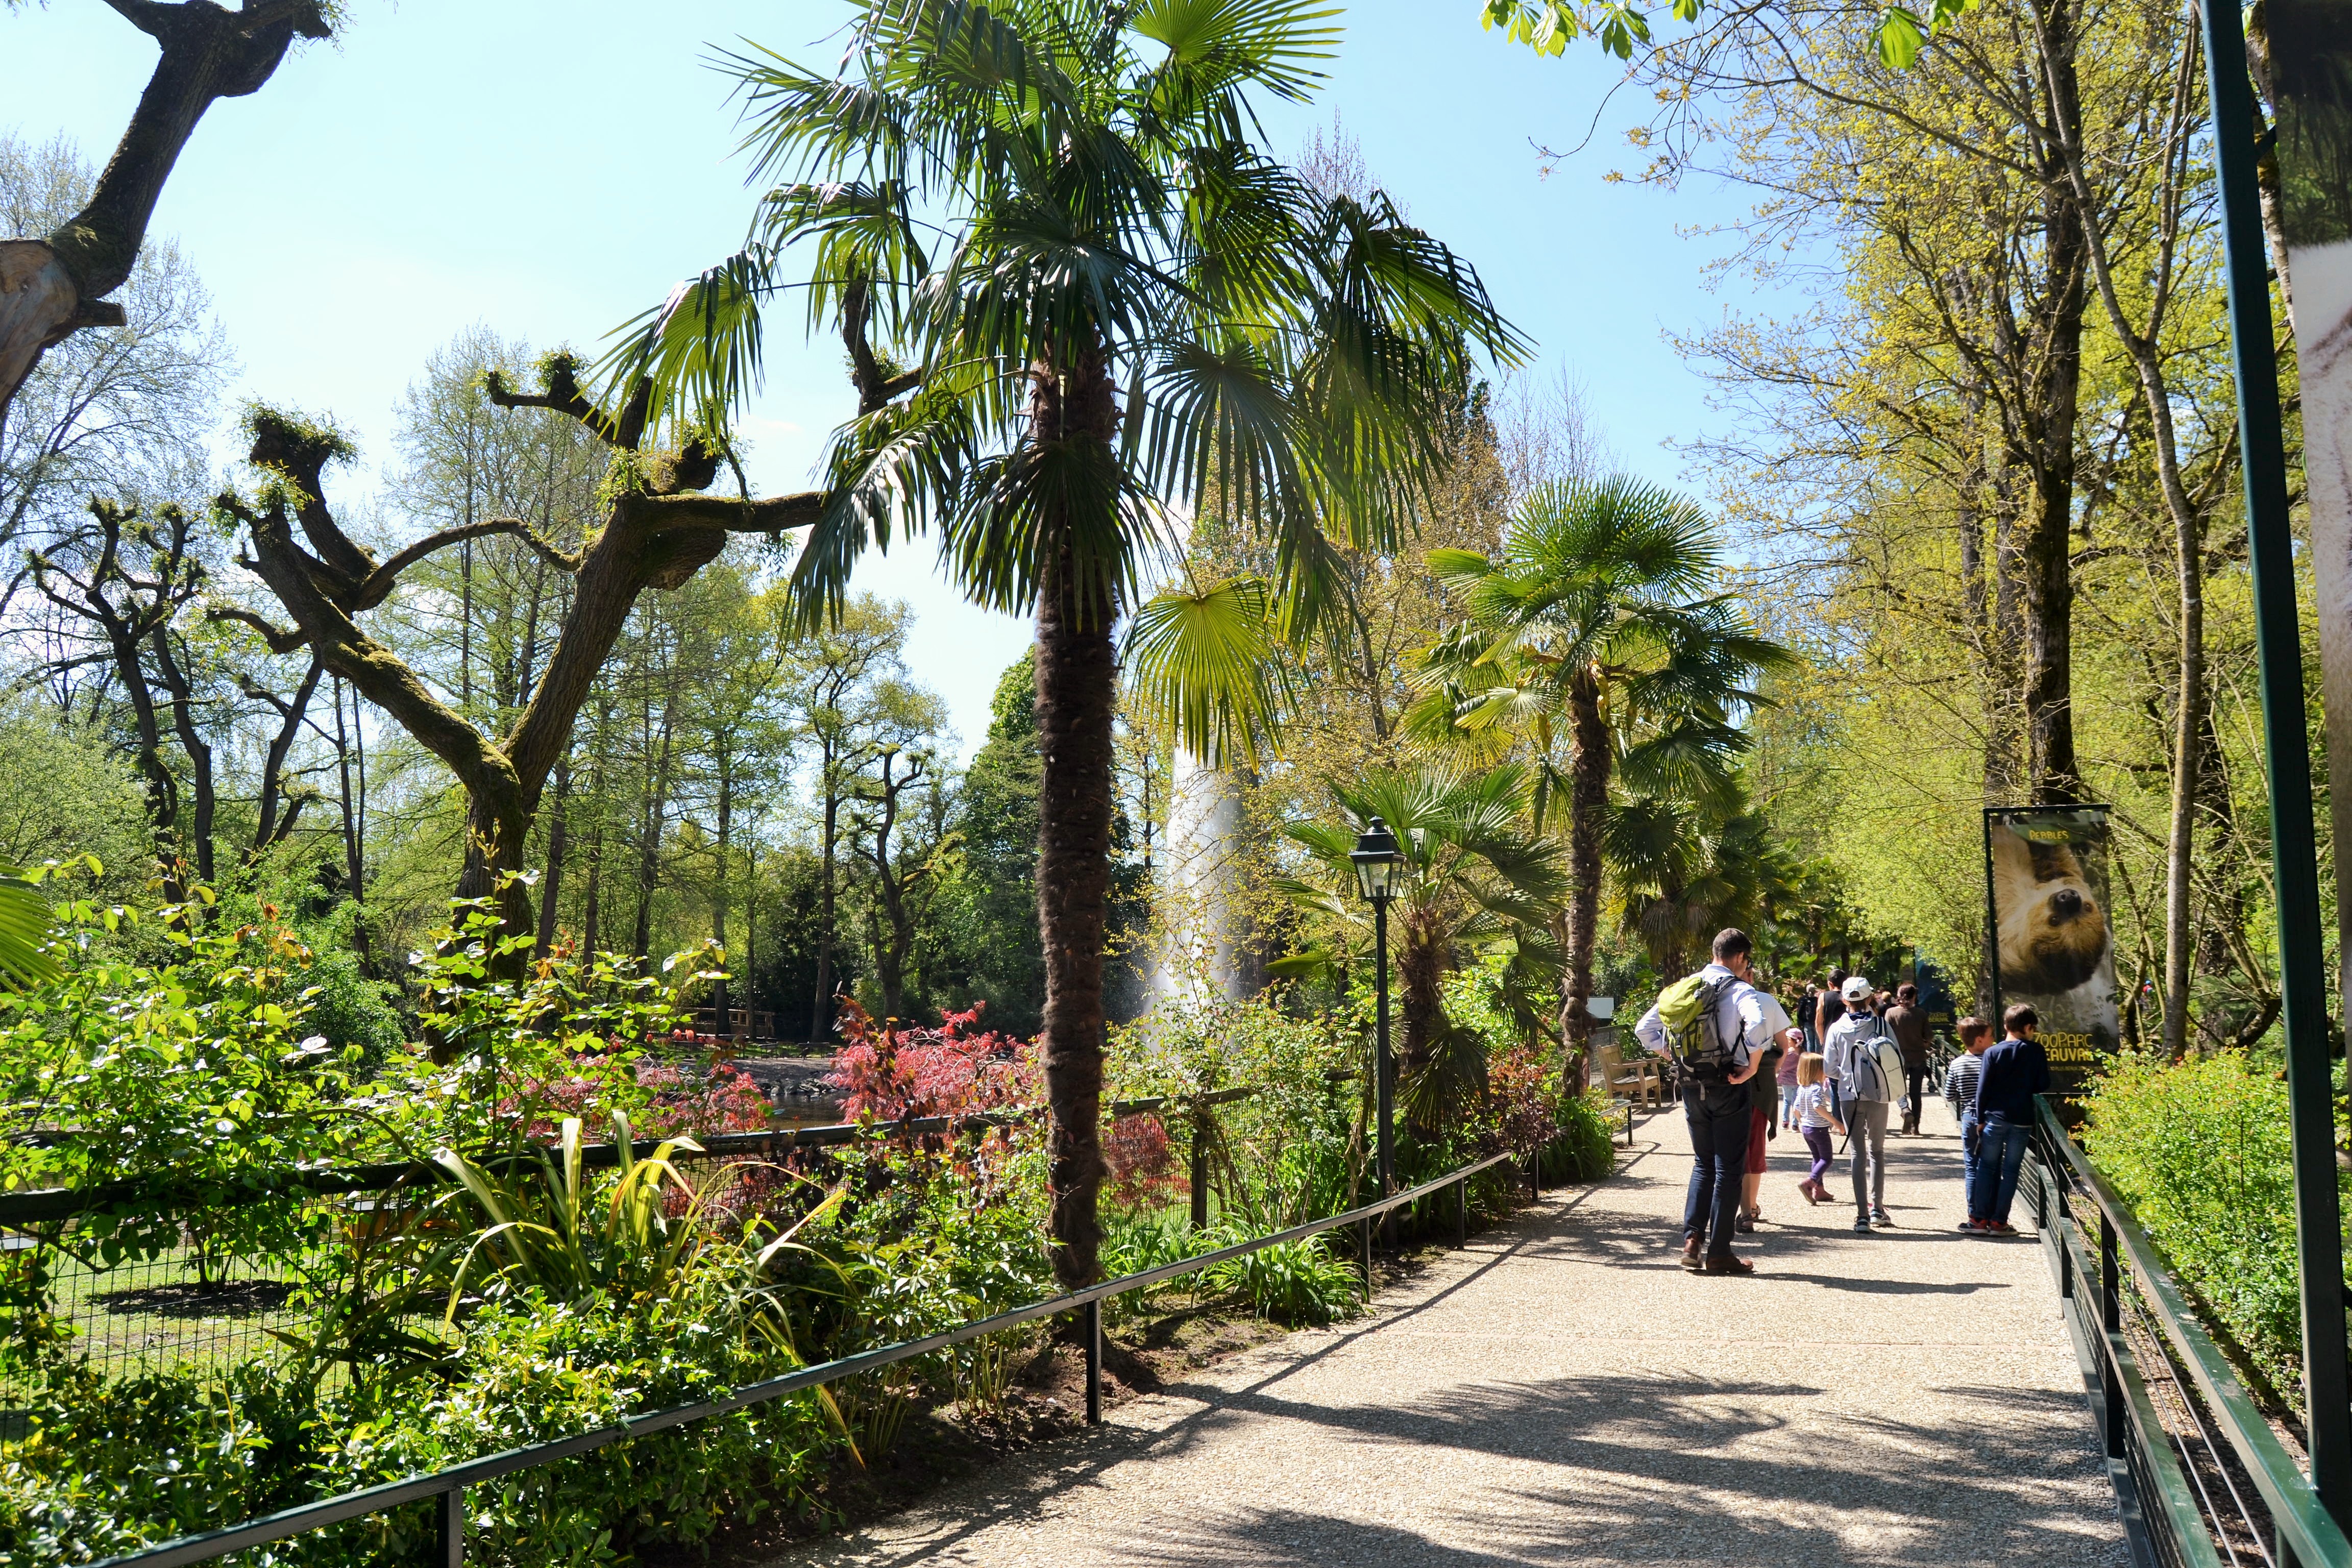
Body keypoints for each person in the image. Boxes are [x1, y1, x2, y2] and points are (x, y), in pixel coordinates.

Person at [1634, 927, 1797, 1277]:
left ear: (1714, 952)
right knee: (1728, 1169)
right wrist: (1751, 1066)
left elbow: (1644, 1028)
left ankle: (1692, 1241)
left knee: (1703, 1164)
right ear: (1739, 957)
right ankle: (1720, 1252)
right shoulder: (1741, 990)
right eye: (1747, 961)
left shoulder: (1686, 987)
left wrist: (1672, 1056)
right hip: (1729, 1085)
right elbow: (1757, 1024)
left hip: (1691, 1087)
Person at [1965, 1003, 2050, 1235]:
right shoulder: (2036, 1051)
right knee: (2011, 1171)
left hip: (1995, 1118)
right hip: (2022, 1120)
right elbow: (2043, 1084)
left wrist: (1980, 1119)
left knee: (1986, 1167)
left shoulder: (1993, 1052)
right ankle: (1999, 1222)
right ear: (2028, 1027)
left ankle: (1979, 1220)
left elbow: (1982, 1089)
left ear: (2006, 1026)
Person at [1823, 974, 1898, 1232]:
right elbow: (1896, 1058)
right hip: (1878, 1093)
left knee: (1857, 1153)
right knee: (1877, 1151)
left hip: (1848, 1095)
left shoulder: (1836, 1029)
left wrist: (1846, 1077)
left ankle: (1862, 1215)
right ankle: (1878, 1209)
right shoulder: (1881, 1025)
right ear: (1869, 999)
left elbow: (1829, 1068)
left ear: (1845, 1000)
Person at [1943, 1015, 1992, 1200]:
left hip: (1968, 1117)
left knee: (1971, 1166)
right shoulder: (1991, 1062)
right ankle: (1988, 1206)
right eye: (1990, 1036)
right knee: (1990, 1166)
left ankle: (1973, 1210)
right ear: (1980, 1040)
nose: (1993, 1040)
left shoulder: (1957, 1064)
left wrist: (1964, 1096)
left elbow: (1949, 1095)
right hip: (1989, 1118)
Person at [1741, 1026, 1784, 1230]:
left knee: (1721, 1153)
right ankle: (1749, 1208)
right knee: (1755, 1148)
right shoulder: (1769, 1008)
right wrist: (1770, 1072)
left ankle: (1728, 1210)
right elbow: (1783, 1047)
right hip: (1760, 1084)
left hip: (1720, 1084)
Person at [1790, 1051, 1844, 1205]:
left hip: (1807, 1129)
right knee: (1827, 1159)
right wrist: (1836, 1122)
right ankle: (1810, 1182)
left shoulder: (1802, 1088)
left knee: (1817, 1158)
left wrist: (1802, 1122)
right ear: (1818, 1071)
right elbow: (1818, 1107)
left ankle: (1819, 1190)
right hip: (1819, 1130)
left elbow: (1796, 1109)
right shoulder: (1816, 1088)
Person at [1884, 983, 1932, 1135]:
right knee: (1916, 1094)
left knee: (1898, 1089)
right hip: (1919, 1057)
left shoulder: (1891, 1013)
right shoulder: (1921, 1013)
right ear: (1914, 997)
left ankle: (1905, 1109)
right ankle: (1915, 1127)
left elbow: (1885, 1035)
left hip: (1898, 1058)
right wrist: (1924, 1043)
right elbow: (1929, 1036)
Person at [1775, 998, 1804, 1128]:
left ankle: (1785, 1121)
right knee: (1796, 1102)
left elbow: (1780, 1065)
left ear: (1794, 1041)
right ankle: (1795, 1123)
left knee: (1787, 1101)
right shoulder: (1802, 1054)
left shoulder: (1786, 1054)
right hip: (1797, 1080)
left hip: (1786, 1080)